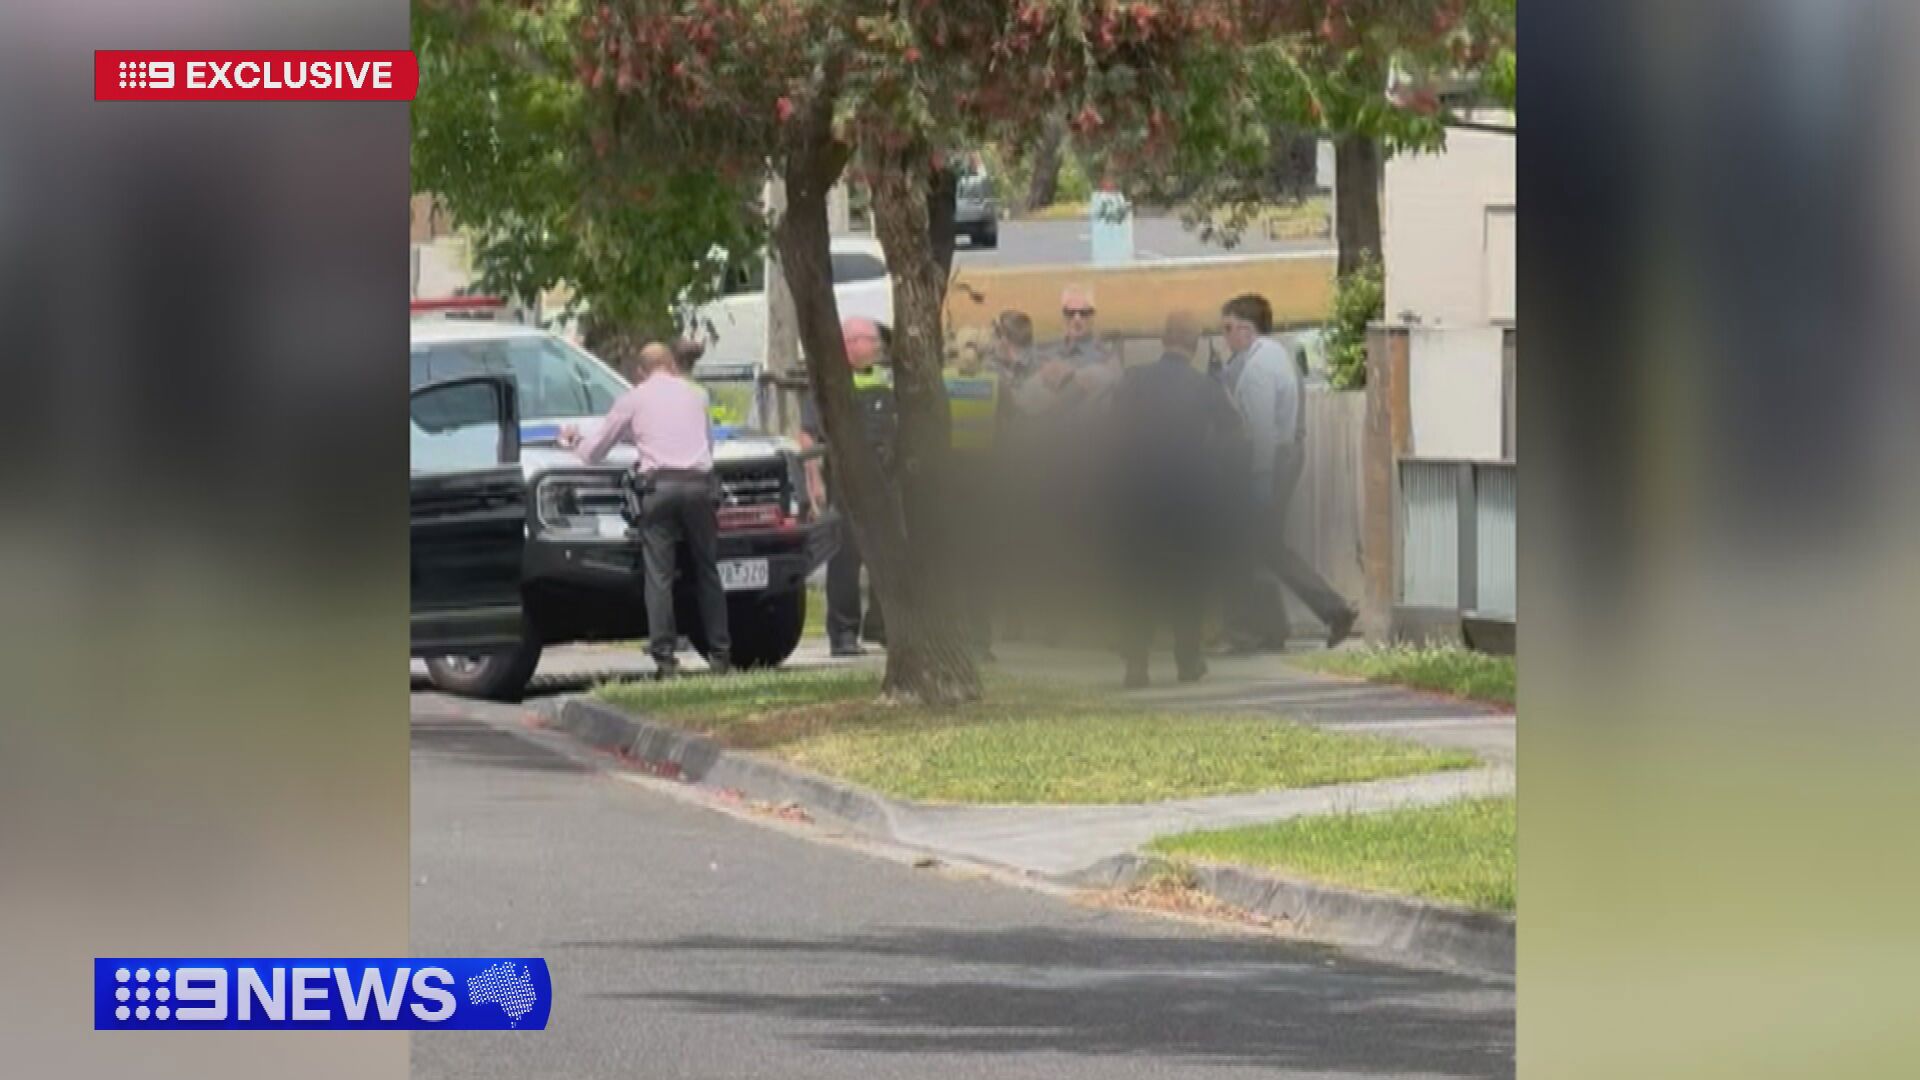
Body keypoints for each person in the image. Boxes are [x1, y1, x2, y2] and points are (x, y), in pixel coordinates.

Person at [560, 342, 730, 679]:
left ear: (640, 371)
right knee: (707, 571)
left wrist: (572, 439)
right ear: (672, 365)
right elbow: (706, 445)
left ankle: (665, 658)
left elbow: (594, 451)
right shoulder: (697, 396)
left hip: (660, 489)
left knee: (659, 576)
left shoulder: (634, 399)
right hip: (699, 487)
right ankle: (721, 653)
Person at [1108, 312, 1243, 688]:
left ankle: (1136, 663)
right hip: (1189, 498)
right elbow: (1235, 432)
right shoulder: (1205, 387)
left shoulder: (1134, 381)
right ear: (1195, 344)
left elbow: (1112, 430)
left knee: (1138, 579)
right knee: (1187, 579)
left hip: (1138, 496)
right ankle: (1188, 659)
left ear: (1164, 339)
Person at [1218, 293, 1359, 650]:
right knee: (1261, 547)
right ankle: (1273, 626)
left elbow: (1262, 431)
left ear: (1247, 330)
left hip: (1272, 461)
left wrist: (1260, 481)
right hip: (1287, 455)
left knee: (1253, 546)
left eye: (1229, 328)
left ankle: (1319, 613)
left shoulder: (1258, 371)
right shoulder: (1275, 355)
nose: (1225, 336)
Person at [797, 317, 897, 657]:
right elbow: (808, 434)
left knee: (888, 552)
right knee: (845, 558)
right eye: (871, 339)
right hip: (846, 478)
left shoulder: (886, 378)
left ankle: (882, 625)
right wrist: (815, 480)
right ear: (851, 344)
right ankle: (843, 632)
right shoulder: (829, 382)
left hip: (886, 477)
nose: (879, 346)